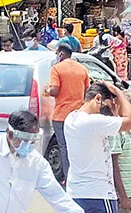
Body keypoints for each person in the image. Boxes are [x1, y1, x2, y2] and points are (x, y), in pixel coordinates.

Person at [61, 82, 131, 213]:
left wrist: (112, 104)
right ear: (98, 99)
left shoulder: (72, 118)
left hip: (77, 193)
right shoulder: (93, 123)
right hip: (99, 195)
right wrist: (119, 94)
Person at [44, 44, 89, 182]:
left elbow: (55, 90)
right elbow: (87, 91)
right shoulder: (82, 69)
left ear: (61, 54)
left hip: (61, 115)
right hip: (78, 114)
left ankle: (69, 177)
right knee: (77, 146)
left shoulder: (57, 69)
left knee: (64, 147)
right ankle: (79, 175)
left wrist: (47, 90)